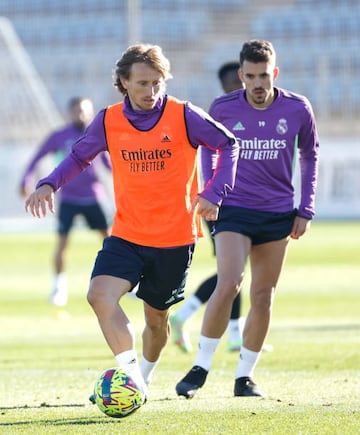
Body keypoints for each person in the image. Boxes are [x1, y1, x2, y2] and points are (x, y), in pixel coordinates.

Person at [25, 44, 239, 399]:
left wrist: (215, 191)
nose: (151, 92)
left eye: (157, 83)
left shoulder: (184, 115)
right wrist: (49, 183)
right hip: (127, 234)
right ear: (123, 82)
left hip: (173, 239)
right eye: (142, 83)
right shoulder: (109, 120)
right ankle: (130, 378)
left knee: (156, 323)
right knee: (99, 295)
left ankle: (145, 376)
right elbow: (79, 155)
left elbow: (228, 143)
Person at [176, 39, 319, 399]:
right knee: (229, 282)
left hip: (277, 213)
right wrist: (212, 192)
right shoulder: (223, 108)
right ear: (241, 75)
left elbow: (310, 157)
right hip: (233, 209)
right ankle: (200, 367)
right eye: (251, 76)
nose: (258, 83)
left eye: (264, 76)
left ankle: (245, 377)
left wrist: (306, 208)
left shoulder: (298, 108)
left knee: (264, 296)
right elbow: (209, 152)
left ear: (275, 73)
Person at [170, 61, 245, 353]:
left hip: (243, 202)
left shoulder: (251, 113)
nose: (239, 88)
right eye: (234, 84)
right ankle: (233, 334)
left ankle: (189, 317)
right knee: (232, 272)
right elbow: (208, 153)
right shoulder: (219, 113)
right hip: (219, 202)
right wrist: (213, 194)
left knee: (233, 272)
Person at [20, 97, 111, 306]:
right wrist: (26, 179)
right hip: (68, 198)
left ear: (91, 113)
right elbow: (37, 157)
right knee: (62, 242)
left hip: (93, 197)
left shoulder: (96, 135)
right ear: (70, 113)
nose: (82, 115)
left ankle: (127, 283)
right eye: (77, 111)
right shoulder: (59, 136)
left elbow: (108, 163)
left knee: (110, 242)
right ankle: (58, 287)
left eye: (85, 111)